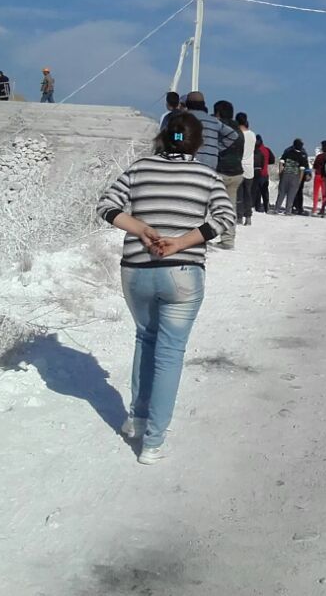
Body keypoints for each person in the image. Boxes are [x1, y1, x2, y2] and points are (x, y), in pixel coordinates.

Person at [95, 110, 235, 464]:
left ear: (162, 137)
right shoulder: (207, 175)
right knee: (170, 353)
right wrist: (181, 242)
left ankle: (137, 419)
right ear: (198, 143)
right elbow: (224, 218)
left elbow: (106, 206)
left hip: (137, 271)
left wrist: (142, 230)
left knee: (145, 338)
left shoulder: (138, 169)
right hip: (183, 272)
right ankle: (153, 443)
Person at [211, 100, 244, 248]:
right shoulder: (239, 130)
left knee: (208, 207)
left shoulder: (219, 128)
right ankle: (228, 240)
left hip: (220, 172)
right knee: (230, 208)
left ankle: (201, 236)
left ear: (218, 113)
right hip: (237, 173)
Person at [275, 139, 308, 214]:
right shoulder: (302, 156)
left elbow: (281, 163)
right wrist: (299, 180)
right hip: (295, 176)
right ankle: (288, 211)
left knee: (282, 193)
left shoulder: (288, 153)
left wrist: (280, 173)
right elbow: (302, 170)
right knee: (291, 195)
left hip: (285, 174)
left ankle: (277, 209)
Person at [236, 112, 256, 227]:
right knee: (248, 193)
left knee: (239, 194)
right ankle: (248, 217)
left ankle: (239, 217)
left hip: (239, 166)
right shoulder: (252, 135)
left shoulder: (237, 135)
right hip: (249, 167)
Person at [313, 142, 326, 216]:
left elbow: (315, 166)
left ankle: (314, 209)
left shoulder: (319, 156)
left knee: (316, 193)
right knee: (324, 194)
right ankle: (323, 209)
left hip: (318, 175)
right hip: (325, 177)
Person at [254, 136, 273, 212]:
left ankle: (257, 207)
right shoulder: (267, 149)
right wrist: (266, 162)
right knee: (265, 192)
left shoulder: (254, 150)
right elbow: (272, 160)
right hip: (265, 173)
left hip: (256, 173)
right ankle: (266, 207)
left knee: (257, 191)